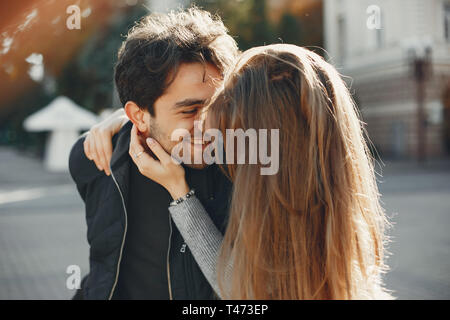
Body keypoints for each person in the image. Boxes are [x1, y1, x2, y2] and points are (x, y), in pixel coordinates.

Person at [95, 44, 393, 299]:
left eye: (232, 127)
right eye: (191, 110)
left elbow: (241, 291)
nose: (210, 131)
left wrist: (180, 193)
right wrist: (133, 121)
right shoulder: (333, 217)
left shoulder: (273, 201)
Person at [68, 7, 239, 300]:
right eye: (190, 110)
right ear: (138, 115)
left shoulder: (242, 170)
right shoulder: (95, 158)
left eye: (219, 105)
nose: (210, 124)